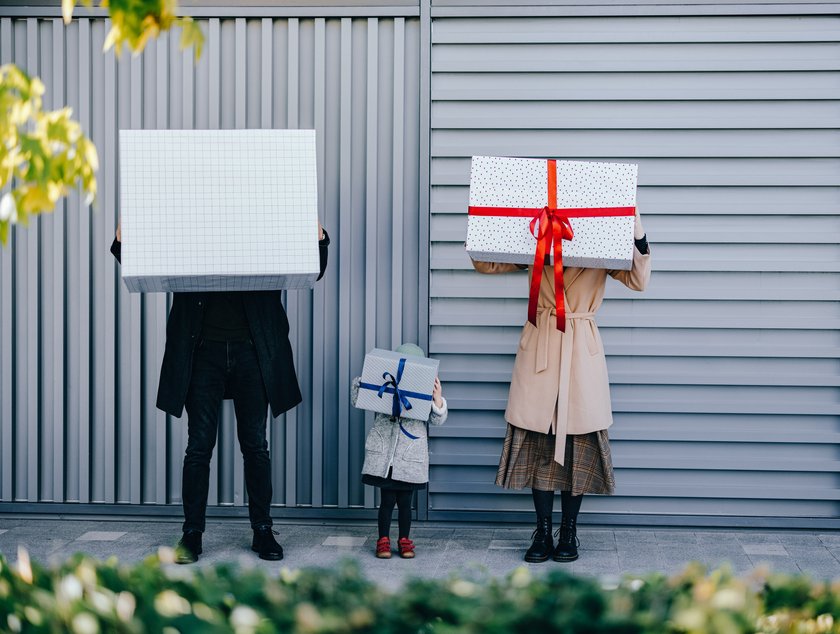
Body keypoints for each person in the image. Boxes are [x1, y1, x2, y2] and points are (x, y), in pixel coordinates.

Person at [111, 220, 329, 563]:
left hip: (253, 349)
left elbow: (309, 271)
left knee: (255, 445)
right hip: (201, 350)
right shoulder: (192, 218)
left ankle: (262, 531)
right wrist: (124, 244)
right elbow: (152, 263)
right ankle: (192, 534)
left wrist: (319, 240)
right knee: (198, 446)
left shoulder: (261, 220)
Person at [471, 210, 650, 563]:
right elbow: (485, 265)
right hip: (540, 343)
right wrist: (487, 221)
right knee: (539, 442)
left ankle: (568, 530)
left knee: (578, 445)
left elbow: (638, 280)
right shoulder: (539, 238)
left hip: (581, 349)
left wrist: (636, 230)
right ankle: (542, 531)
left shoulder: (604, 242)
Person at [351, 343, 447, 559]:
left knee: (405, 502)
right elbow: (358, 399)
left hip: (408, 457)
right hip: (386, 455)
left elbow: (437, 419)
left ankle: (405, 540)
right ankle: (382, 540)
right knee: (386, 501)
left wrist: (437, 398)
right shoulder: (384, 387)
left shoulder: (424, 392)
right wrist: (365, 381)